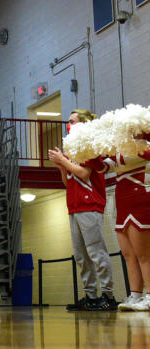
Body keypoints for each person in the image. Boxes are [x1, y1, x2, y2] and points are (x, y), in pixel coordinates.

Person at [48, 109, 116, 311]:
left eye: (72, 121)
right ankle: (91, 295)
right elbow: (69, 182)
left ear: (84, 124)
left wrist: (63, 161)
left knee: (96, 252)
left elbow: (84, 173)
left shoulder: (89, 147)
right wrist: (61, 167)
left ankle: (108, 295)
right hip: (74, 205)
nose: (68, 125)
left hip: (90, 204)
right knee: (81, 255)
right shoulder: (72, 149)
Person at [100, 147, 150, 311]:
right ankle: (135, 294)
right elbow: (102, 167)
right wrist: (90, 153)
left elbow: (132, 155)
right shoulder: (119, 147)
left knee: (144, 253)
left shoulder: (142, 142)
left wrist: (107, 150)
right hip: (122, 199)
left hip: (140, 196)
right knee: (128, 254)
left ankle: (149, 294)